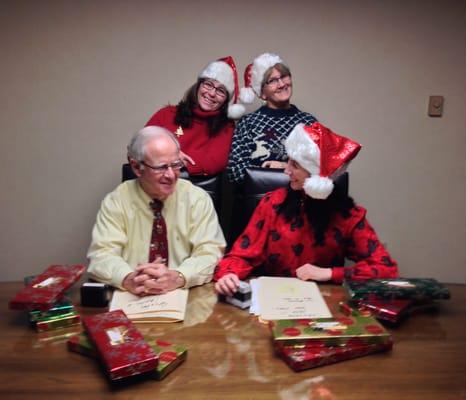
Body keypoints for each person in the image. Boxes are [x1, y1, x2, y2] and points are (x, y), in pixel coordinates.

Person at [215, 122, 398, 295]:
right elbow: (240, 255)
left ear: (315, 174)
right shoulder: (272, 203)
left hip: (324, 301)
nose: (286, 171)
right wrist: (229, 275)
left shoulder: (347, 215)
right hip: (273, 297)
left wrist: (328, 273)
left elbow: (386, 269)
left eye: (294, 165)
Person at [87, 126, 226, 296]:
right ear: (137, 167)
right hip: (132, 297)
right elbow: (101, 255)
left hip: (185, 295)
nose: (171, 175)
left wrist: (178, 277)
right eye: (161, 167)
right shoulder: (116, 201)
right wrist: (127, 278)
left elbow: (211, 253)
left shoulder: (197, 199)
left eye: (176, 165)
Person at [145, 56, 245, 176]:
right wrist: (172, 156)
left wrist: (164, 158)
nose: (212, 93)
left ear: (226, 100)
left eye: (221, 91)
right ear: (198, 86)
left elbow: (212, 163)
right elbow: (139, 147)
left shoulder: (226, 127)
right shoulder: (166, 114)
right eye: (208, 85)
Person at [227, 52, 318, 183]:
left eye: (284, 76)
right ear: (262, 93)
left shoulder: (309, 122)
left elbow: (322, 167)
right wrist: (269, 171)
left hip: (301, 200)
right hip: (257, 199)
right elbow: (234, 172)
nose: (281, 84)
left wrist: (284, 167)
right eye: (272, 81)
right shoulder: (248, 123)